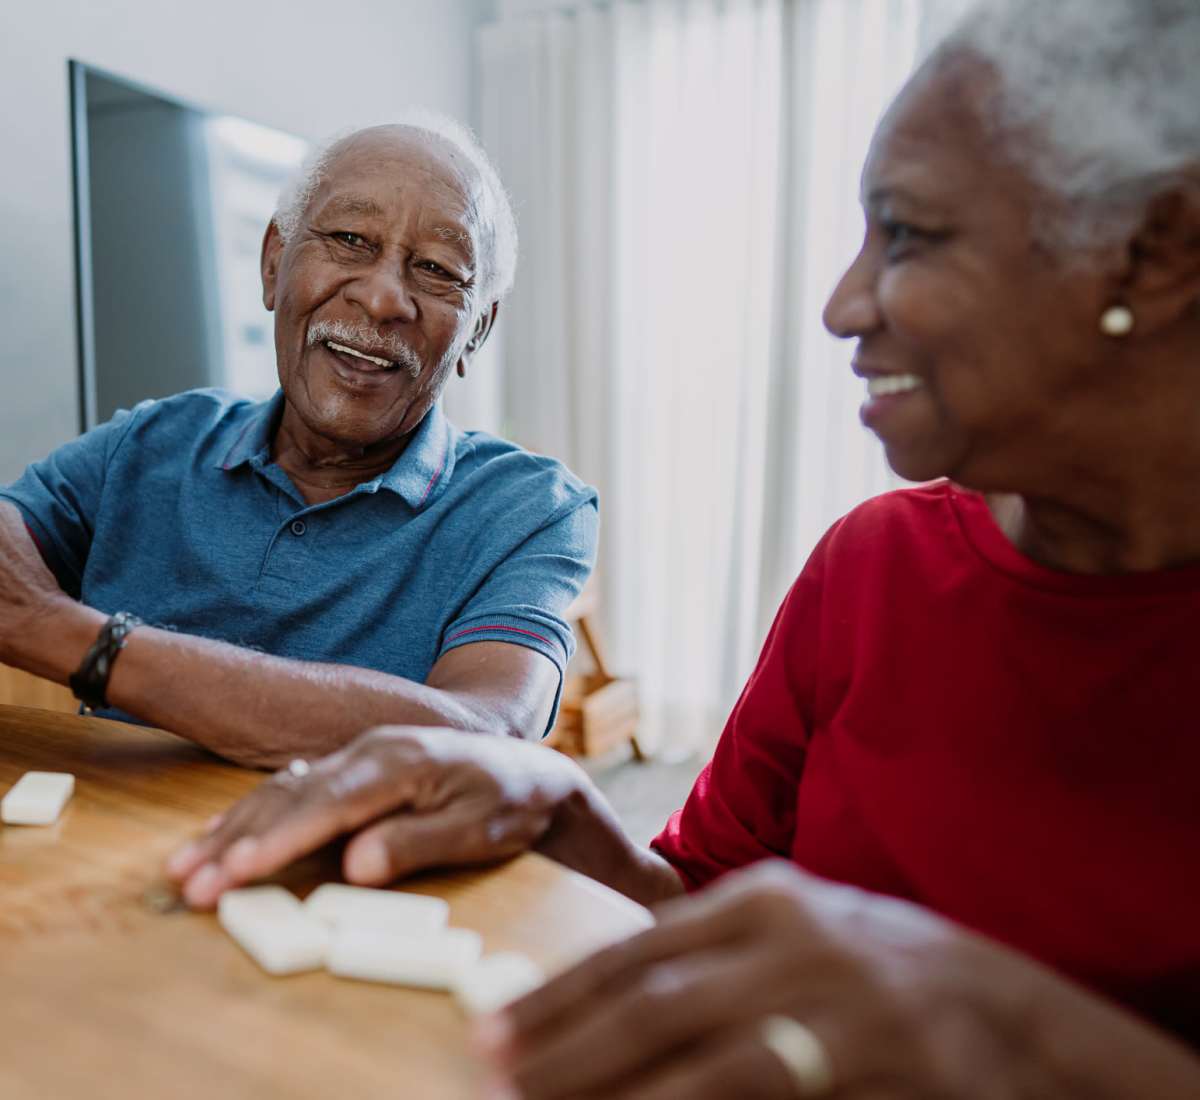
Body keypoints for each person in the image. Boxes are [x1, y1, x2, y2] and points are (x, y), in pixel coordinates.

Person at [167, 0, 1200, 1095]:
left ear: (1152, 256)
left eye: (909, 233)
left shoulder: (523, 501)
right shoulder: (872, 566)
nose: (843, 305)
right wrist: (561, 804)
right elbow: (695, 902)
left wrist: (1006, 1025)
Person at [0, 118, 597, 768]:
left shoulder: (530, 508)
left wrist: (73, 638)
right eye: (348, 239)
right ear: (273, 263)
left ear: (476, 332)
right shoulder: (150, 443)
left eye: (435, 269)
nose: (380, 298)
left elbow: (482, 738)